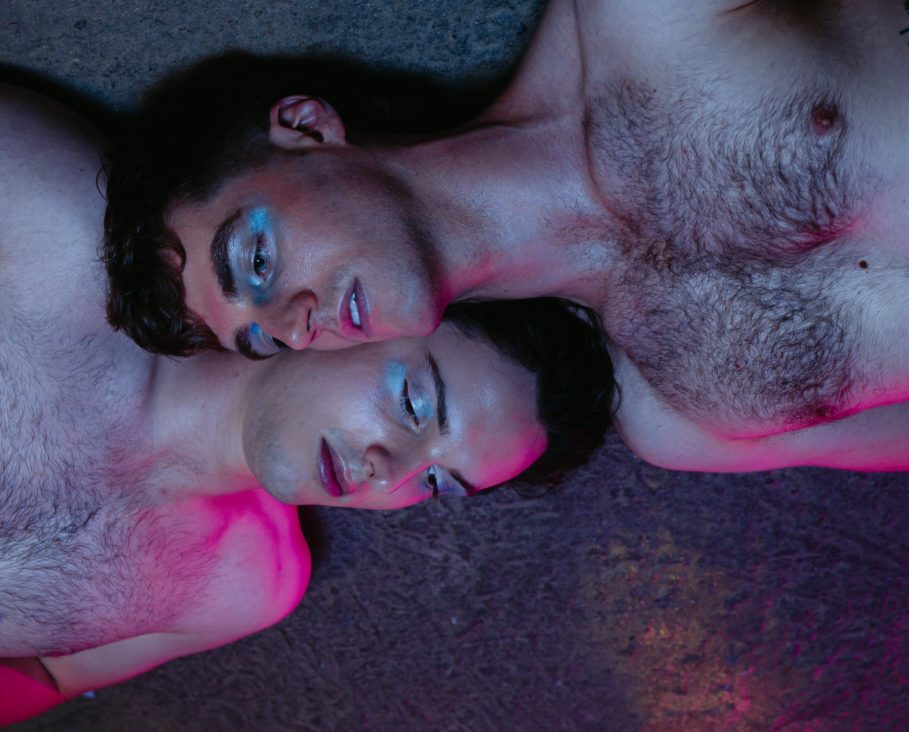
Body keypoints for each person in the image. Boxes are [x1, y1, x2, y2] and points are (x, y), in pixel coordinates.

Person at [104, 0, 909, 473]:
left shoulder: (640, 21)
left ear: (307, 127)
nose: (293, 323)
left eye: (257, 262)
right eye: (266, 340)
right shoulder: (678, 416)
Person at [0, 84, 616, 724]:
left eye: (435, 482)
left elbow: (45, 677)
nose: (389, 472)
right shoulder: (59, 229)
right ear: (365, 315)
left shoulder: (247, 587)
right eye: (413, 404)